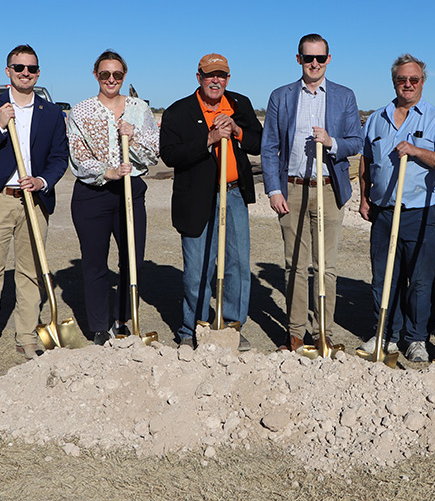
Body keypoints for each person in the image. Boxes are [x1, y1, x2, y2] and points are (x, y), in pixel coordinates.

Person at [0, 44, 69, 367]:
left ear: (38, 73)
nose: (26, 73)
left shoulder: (50, 113)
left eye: (32, 68)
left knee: (31, 273)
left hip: (33, 202)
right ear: (7, 70)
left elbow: (58, 158)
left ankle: (26, 338)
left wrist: (42, 181)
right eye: (19, 67)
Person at [261, 34, 363, 351]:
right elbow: (269, 147)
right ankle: (295, 332)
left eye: (320, 58)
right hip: (291, 189)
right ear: (299, 60)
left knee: (326, 267)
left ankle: (323, 334)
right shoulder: (282, 96)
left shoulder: (344, 97)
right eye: (308, 58)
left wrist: (332, 142)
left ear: (328, 59)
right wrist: (274, 189)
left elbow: (356, 142)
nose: (314, 64)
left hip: (329, 189)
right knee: (294, 265)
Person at [159, 54, 262, 350]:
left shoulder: (239, 104)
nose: (216, 80)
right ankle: (192, 329)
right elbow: (170, 154)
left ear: (228, 79)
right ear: (198, 77)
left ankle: (232, 325)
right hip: (196, 198)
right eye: (209, 75)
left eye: (222, 75)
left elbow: (258, 140)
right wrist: (209, 138)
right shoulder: (179, 111)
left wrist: (237, 131)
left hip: (233, 195)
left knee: (237, 265)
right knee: (198, 269)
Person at [358, 54, 435, 362]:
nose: (408, 85)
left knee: (420, 280)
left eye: (414, 80)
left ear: (423, 82)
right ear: (394, 82)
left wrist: (415, 151)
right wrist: (364, 197)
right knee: (384, 277)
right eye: (402, 80)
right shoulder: (376, 118)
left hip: (420, 211)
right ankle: (386, 333)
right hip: (384, 211)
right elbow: (365, 160)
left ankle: (416, 339)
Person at [67, 50, 159, 345]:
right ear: (96, 75)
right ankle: (99, 326)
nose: (111, 79)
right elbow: (78, 157)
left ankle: (123, 319)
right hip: (92, 195)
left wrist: (132, 138)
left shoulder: (139, 109)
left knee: (133, 260)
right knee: (94, 262)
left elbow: (153, 152)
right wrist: (108, 172)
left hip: (130, 192)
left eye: (117, 75)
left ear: (124, 76)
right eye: (105, 74)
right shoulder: (80, 112)